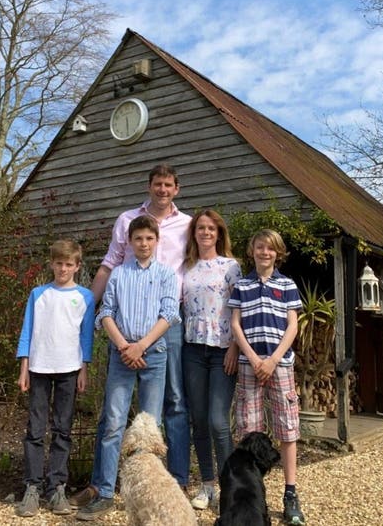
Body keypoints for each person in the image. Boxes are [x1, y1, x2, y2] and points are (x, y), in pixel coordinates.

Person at [71, 164, 193, 508]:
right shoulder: (126, 221)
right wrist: (85, 309)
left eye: (169, 184)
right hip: (123, 336)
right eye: (158, 184)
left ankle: (171, 484)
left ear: (176, 189)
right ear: (149, 186)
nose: (163, 189)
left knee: (172, 406)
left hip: (165, 330)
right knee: (113, 417)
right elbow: (109, 269)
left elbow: (195, 267)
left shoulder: (186, 224)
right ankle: (102, 487)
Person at [228, 229, 308, 526]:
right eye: (260, 247)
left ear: (278, 253)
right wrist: (252, 357)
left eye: (270, 249)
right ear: (252, 250)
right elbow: (235, 325)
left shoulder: (287, 285)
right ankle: (251, 491)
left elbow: (292, 327)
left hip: (280, 365)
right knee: (249, 430)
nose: (265, 252)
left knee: (287, 427)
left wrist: (273, 360)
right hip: (250, 365)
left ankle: (290, 493)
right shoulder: (242, 285)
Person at [12, 239, 97, 518]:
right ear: (51, 264)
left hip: (69, 370)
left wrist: (84, 368)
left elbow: (86, 336)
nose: (63, 268)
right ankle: (32, 487)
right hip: (38, 368)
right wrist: (24, 367)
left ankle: (56, 486)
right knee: (35, 430)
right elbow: (28, 331)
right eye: (59, 263)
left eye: (69, 264)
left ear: (77, 266)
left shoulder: (84, 296)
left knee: (63, 430)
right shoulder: (39, 294)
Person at [180, 209, 241, 511]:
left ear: (219, 233)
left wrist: (234, 348)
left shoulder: (231, 267)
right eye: (200, 228)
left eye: (211, 228)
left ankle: (230, 488)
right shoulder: (185, 267)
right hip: (192, 350)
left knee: (219, 422)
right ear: (193, 233)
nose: (205, 233)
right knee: (200, 421)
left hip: (222, 351)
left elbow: (238, 309)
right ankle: (207, 487)